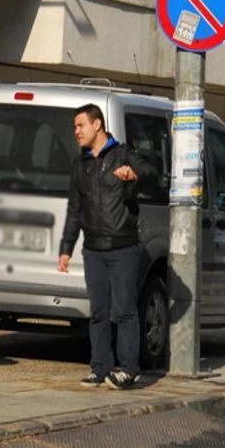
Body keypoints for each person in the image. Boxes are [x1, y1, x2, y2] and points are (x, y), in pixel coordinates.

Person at [58, 103, 157, 390]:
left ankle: (128, 369)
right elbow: (74, 209)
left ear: (97, 124)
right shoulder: (80, 165)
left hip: (123, 247)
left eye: (80, 125)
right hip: (93, 249)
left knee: (125, 309)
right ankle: (99, 367)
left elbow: (152, 173)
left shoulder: (124, 154)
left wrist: (133, 175)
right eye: (75, 127)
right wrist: (66, 248)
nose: (76, 132)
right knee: (98, 311)